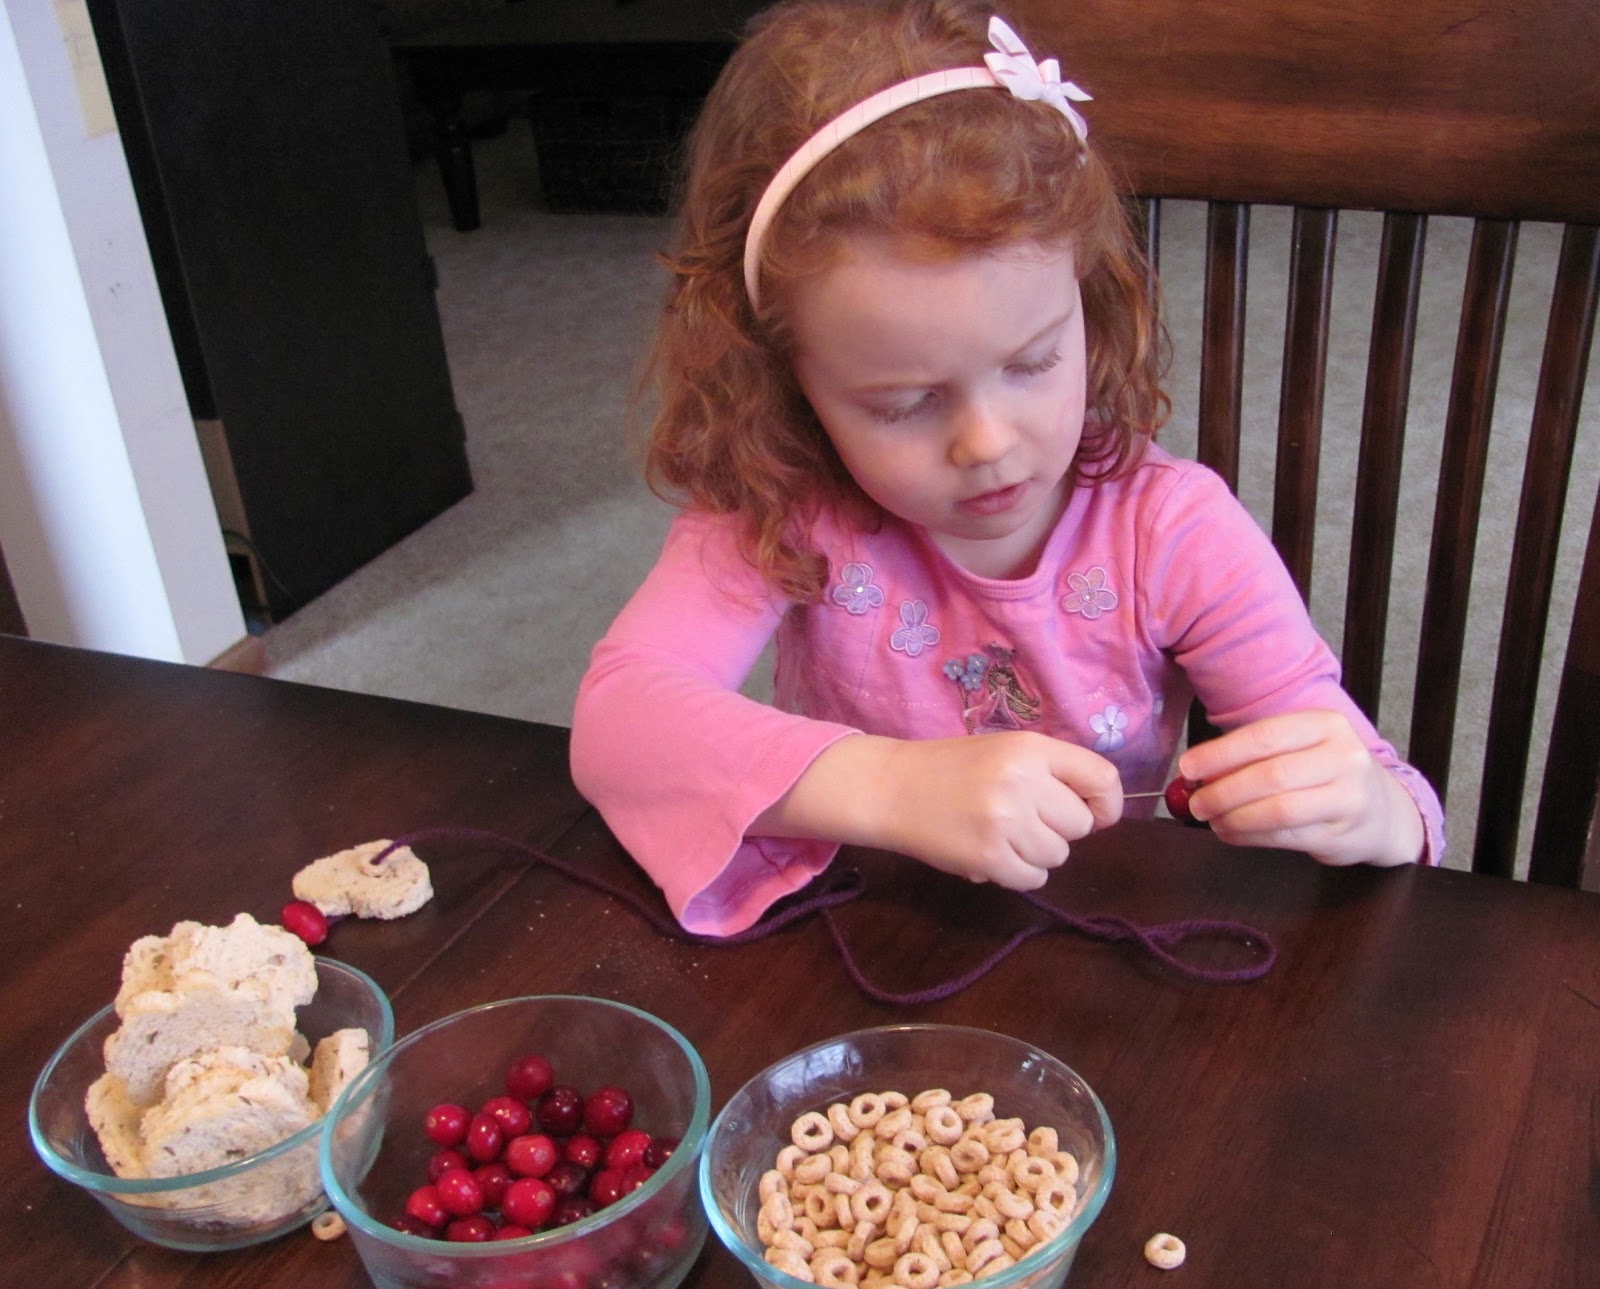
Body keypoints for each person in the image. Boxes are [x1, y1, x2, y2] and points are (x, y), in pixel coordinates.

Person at [571, 0, 1443, 937]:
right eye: (903, 403)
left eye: (1032, 362)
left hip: (1093, 949)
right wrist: (889, 783)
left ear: (1091, 301)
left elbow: (1400, 805)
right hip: (872, 935)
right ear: (787, 384)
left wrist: (1369, 809)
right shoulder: (782, 508)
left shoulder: (1173, 531)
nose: (987, 442)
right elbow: (618, 722)